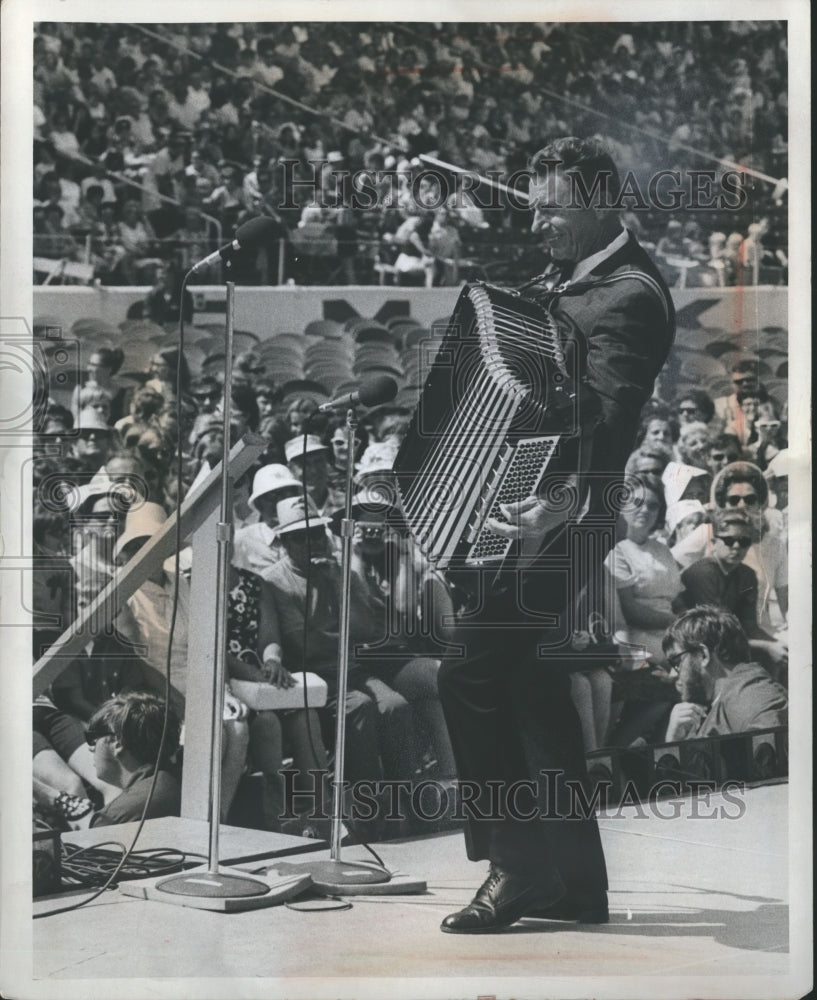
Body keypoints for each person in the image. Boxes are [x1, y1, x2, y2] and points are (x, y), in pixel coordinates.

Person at [436, 137, 675, 933]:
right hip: (525, 506)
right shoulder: (568, 278)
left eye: (552, 207)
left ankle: (517, 868)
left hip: (564, 520)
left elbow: (607, 417)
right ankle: (575, 885)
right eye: (533, 204)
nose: (537, 221)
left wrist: (560, 502)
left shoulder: (631, 293)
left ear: (602, 200)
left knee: (467, 670)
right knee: (532, 690)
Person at [662, 606, 787, 742]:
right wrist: (674, 741)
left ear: (703, 655)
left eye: (677, 662)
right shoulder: (722, 699)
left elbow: (773, 756)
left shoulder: (751, 694)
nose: (673, 674)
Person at [86, 692, 182, 826]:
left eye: (93, 739)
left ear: (118, 743)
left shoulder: (112, 818)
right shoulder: (185, 782)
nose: (91, 748)